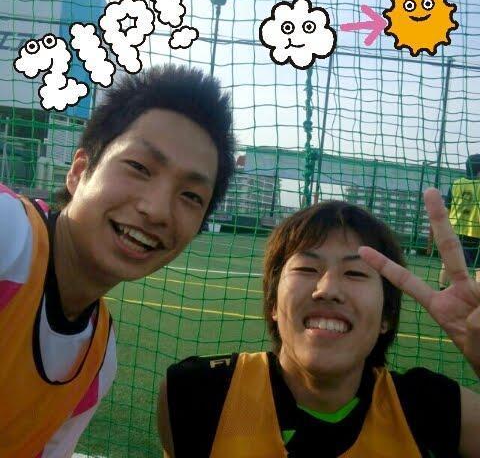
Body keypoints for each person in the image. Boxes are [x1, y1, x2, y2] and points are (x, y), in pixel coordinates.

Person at [0, 64, 235, 457]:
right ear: (79, 172)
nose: (157, 210)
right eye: (139, 167)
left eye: (191, 196)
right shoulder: (9, 234)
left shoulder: (97, 359)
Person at [158, 188, 480, 457]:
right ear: (272, 302)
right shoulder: (197, 394)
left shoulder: (431, 408)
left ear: (387, 316)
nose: (327, 289)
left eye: (355, 273)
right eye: (306, 269)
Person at [439, 154, 480, 289]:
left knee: (447, 264)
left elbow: (447, 209)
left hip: (454, 230)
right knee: (478, 268)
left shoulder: (456, 184)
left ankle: (442, 290)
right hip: (475, 233)